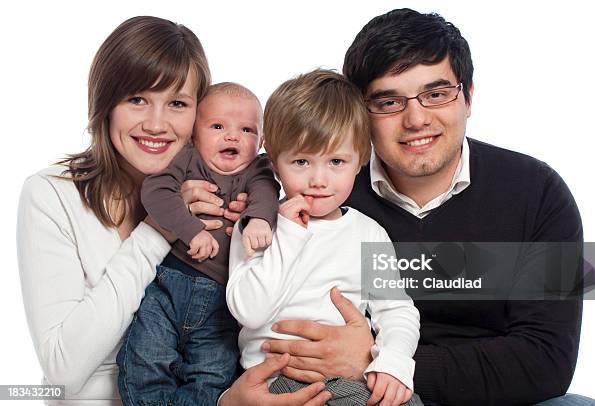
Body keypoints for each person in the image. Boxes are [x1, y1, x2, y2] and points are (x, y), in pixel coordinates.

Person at [234, 8, 595, 406]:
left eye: (436, 93)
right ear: (361, 114)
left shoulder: (539, 192)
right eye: (389, 101)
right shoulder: (320, 193)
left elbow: (548, 361)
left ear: (468, 97)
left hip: (468, 393)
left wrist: (376, 362)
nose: (416, 118)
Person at [16, 16, 326, 406]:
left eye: (177, 103)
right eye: (137, 99)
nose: (157, 124)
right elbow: (63, 368)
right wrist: (160, 228)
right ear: (106, 104)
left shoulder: (238, 190)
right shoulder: (52, 195)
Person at [226, 69, 421, 406]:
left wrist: (394, 363)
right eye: (301, 161)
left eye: (336, 161)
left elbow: (396, 310)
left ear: (360, 159)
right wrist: (287, 233)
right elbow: (250, 312)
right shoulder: (258, 224)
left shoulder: (368, 232)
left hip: (351, 376)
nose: (319, 179)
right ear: (273, 160)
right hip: (276, 381)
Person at [117, 82, 279, 405]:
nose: (232, 136)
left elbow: (267, 194)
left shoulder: (258, 170)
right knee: (146, 356)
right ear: (195, 134)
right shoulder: (188, 160)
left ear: (260, 141)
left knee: (212, 373)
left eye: (246, 130)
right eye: (218, 126)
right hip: (168, 284)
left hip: (221, 303)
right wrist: (192, 230)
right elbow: (156, 193)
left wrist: (259, 219)